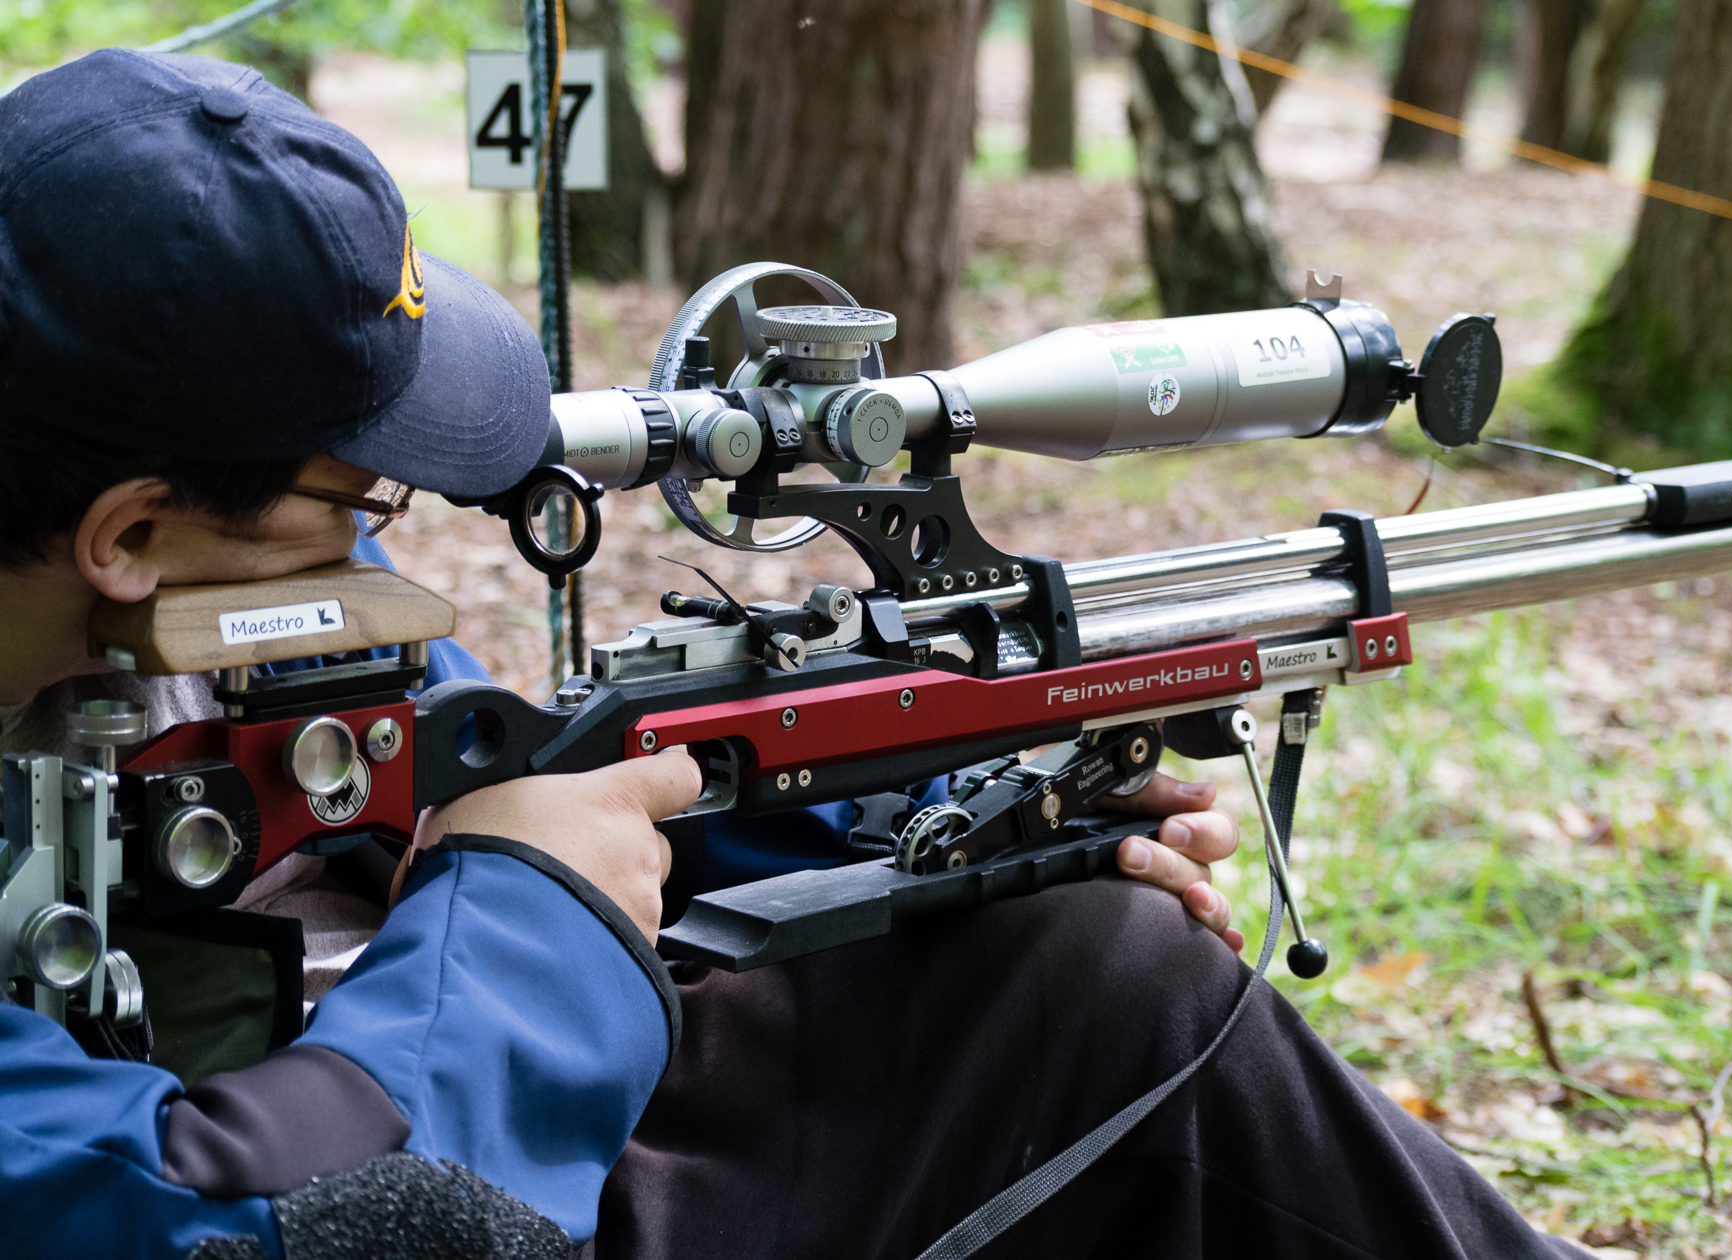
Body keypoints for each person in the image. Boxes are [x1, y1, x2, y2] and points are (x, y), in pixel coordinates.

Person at [0, 50, 1249, 1260]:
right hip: (419, 1189)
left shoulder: (245, 575)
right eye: (365, 489)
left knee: (1107, 972)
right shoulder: (242, 567)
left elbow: (511, 780)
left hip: (484, 1107)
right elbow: (245, 1224)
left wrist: (927, 793)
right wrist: (531, 905)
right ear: (132, 535)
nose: (380, 528)